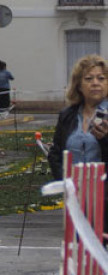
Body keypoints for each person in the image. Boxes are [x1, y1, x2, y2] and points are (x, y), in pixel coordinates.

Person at [47, 55, 108, 227]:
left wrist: (105, 139)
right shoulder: (67, 115)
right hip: (75, 198)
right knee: (77, 249)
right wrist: (64, 183)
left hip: (104, 197)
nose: (95, 82)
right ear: (79, 85)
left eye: (101, 78)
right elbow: (55, 154)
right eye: (88, 78)